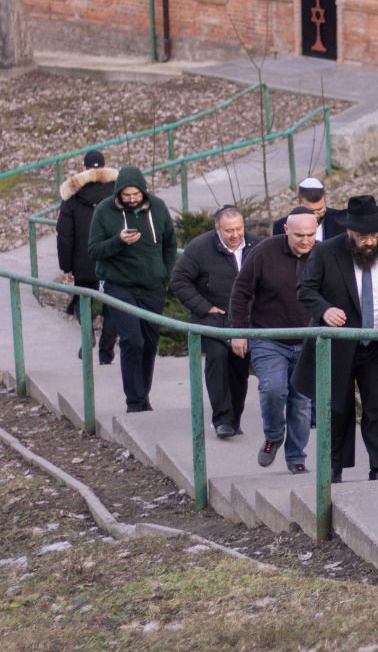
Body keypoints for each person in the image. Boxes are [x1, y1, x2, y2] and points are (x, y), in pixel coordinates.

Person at [293, 194, 378, 482]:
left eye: (374, 234)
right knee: (338, 408)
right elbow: (305, 289)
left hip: (377, 343)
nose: (369, 241)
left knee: (377, 406)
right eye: (363, 236)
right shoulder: (326, 252)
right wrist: (325, 310)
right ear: (349, 231)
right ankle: (335, 468)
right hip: (339, 344)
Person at [229, 208, 317, 473]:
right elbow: (241, 291)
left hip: (308, 339)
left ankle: (296, 458)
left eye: (311, 235)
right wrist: (239, 331)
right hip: (268, 337)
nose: (305, 240)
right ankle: (274, 435)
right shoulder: (265, 252)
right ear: (286, 230)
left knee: (301, 404)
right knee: (273, 389)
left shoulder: (324, 254)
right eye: (299, 235)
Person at [87, 164, 177, 413]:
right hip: (119, 285)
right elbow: (94, 249)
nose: (131, 200)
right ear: (118, 194)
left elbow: (170, 242)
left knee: (149, 342)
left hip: (153, 286)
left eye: (135, 195)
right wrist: (118, 241)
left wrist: (165, 274)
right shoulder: (104, 211)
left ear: (143, 192)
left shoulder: (157, 207)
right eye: (126, 196)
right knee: (132, 340)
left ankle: (143, 394)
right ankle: (134, 402)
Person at [170, 206, 258, 438]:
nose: (235, 235)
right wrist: (204, 307)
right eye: (229, 230)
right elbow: (179, 281)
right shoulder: (200, 248)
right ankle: (222, 419)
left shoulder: (256, 246)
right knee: (218, 358)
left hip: (244, 320)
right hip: (212, 320)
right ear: (217, 229)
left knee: (239, 367)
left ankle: (234, 418)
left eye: (239, 229)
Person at [56, 148, 117, 363]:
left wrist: (66, 267)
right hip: (111, 260)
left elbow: (64, 236)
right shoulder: (117, 193)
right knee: (112, 301)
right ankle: (106, 352)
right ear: (105, 166)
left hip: (83, 261)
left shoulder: (71, 198)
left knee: (82, 299)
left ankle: (88, 333)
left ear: (83, 168)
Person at [272, 177, 345, 242]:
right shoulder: (280, 226)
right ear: (299, 203)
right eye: (311, 211)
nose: (316, 216)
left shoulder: (340, 220)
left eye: (320, 210)